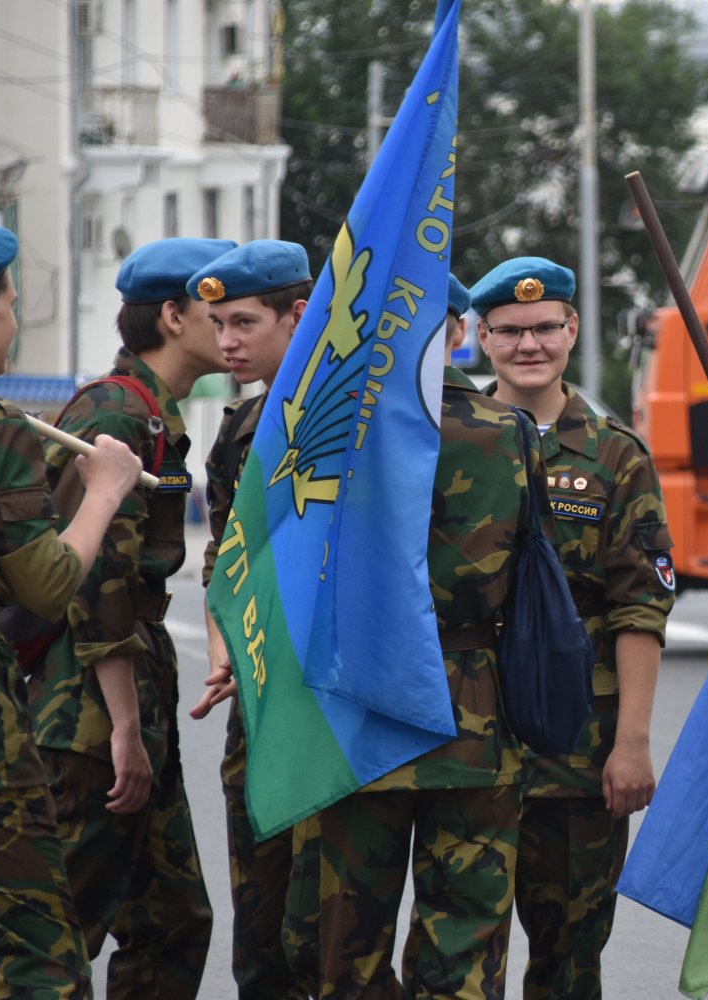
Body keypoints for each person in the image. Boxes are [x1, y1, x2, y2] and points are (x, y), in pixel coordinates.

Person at [288, 269, 545, 998]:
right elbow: (533, 584)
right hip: (474, 709)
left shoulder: (331, 433)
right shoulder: (508, 434)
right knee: (463, 934)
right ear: (461, 333)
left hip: (357, 705)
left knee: (348, 938)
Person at [27, 237, 235, 997]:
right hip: (87, 703)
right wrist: (123, 726)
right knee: (58, 937)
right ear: (175, 316)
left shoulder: (155, 412)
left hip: (132, 685)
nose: (235, 326)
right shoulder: (115, 411)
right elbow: (95, 581)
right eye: (223, 310)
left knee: (173, 919)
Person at [0, 222, 142, 997]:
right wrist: (104, 491)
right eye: (13, 304)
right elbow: (49, 586)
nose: (15, 320)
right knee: (44, 953)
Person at [473, 257, 675, 1000]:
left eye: (546, 328)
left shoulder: (617, 455)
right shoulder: (447, 440)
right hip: (469, 739)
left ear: (573, 329)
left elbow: (639, 608)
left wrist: (631, 743)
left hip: (578, 747)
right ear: (481, 337)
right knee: (461, 949)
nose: (531, 345)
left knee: (568, 961)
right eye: (512, 331)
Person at [184, 239, 313, 1000]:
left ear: (298, 316)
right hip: (264, 704)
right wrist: (226, 647)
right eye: (217, 324)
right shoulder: (237, 431)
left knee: (336, 935)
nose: (225, 342)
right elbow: (225, 561)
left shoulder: (354, 421)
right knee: (260, 924)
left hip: (332, 702)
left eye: (242, 323)